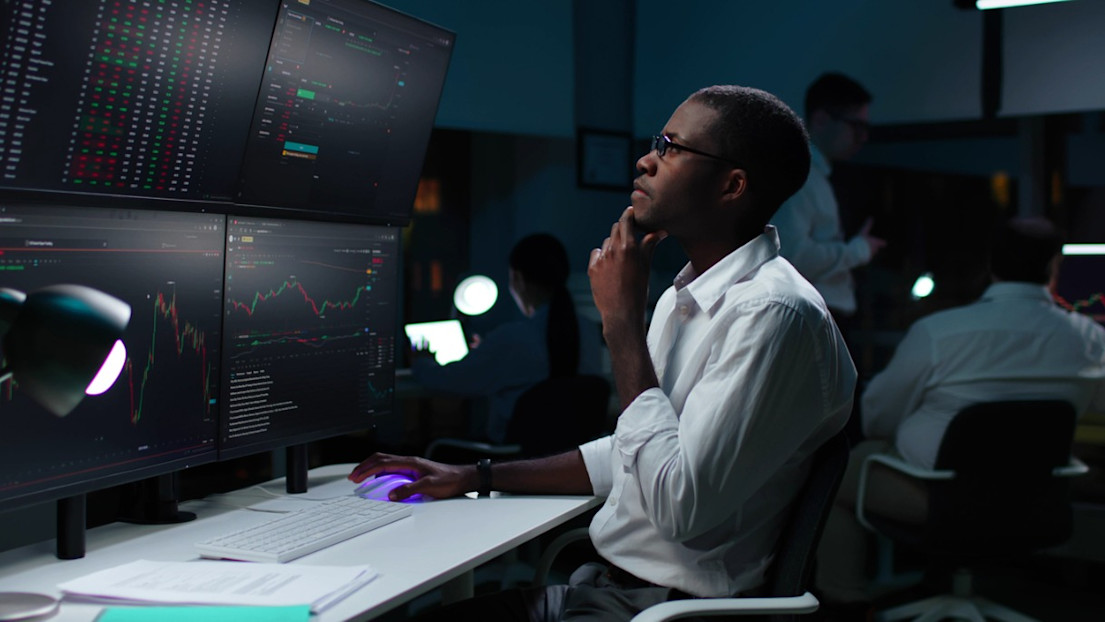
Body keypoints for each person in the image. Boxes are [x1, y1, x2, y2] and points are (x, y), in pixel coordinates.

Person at [351, 85, 857, 621]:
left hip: (667, 610)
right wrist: (475, 475)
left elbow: (677, 503)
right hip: (606, 588)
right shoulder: (689, 297)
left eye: (671, 148)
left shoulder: (772, 312)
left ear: (732, 186)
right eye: (655, 142)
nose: (646, 159)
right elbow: (632, 453)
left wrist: (622, 324)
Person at [816, 217, 1105, 607]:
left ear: (990, 266)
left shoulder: (939, 332)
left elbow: (878, 416)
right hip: (1039, 504)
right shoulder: (1091, 339)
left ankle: (846, 607)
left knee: (830, 477)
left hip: (937, 500)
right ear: (1054, 269)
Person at [412, 233, 603, 444]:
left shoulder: (511, 339)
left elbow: (449, 381)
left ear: (518, 280)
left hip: (510, 463)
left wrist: (420, 361)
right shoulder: (589, 331)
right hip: (570, 462)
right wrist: (490, 351)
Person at [769, 72, 886, 322]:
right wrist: (857, 251)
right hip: (809, 317)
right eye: (857, 126)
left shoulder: (814, 176)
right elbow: (790, 256)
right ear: (821, 119)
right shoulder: (802, 177)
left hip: (814, 315)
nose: (863, 137)